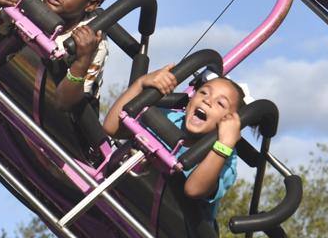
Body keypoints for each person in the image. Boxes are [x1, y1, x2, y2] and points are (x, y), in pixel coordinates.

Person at [103, 64, 248, 217]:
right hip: (126, 204)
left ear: (229, 122)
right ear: (190, 101)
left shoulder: (226, 158)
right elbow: (111, 128)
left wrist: (224, 144)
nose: (207, 101)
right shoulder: (167, 118)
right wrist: (141, 84)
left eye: (220, 103)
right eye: (204, 92)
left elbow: (194, 189)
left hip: (170, 232)